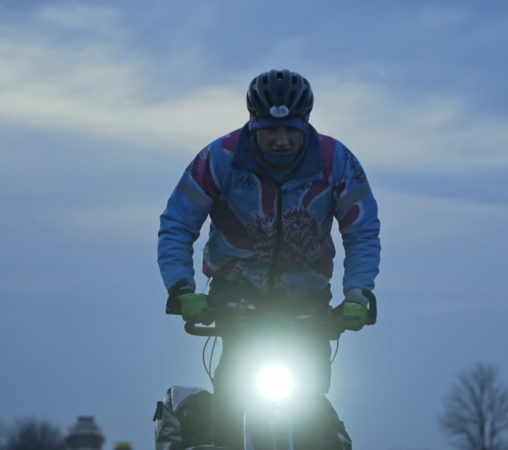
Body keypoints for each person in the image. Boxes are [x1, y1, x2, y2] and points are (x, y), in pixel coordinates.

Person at [157, 69, 380, 448]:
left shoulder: (337, 162)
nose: (281, 140)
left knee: (312, 409)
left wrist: (358, 294)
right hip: (236, 295)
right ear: (252, 124)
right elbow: (178, 222)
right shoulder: (219, 159)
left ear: (306, 123)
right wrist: (182, 288)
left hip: (306, 300)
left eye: (291, 130)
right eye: (269, 130)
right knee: (230, 398)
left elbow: (361, 231)